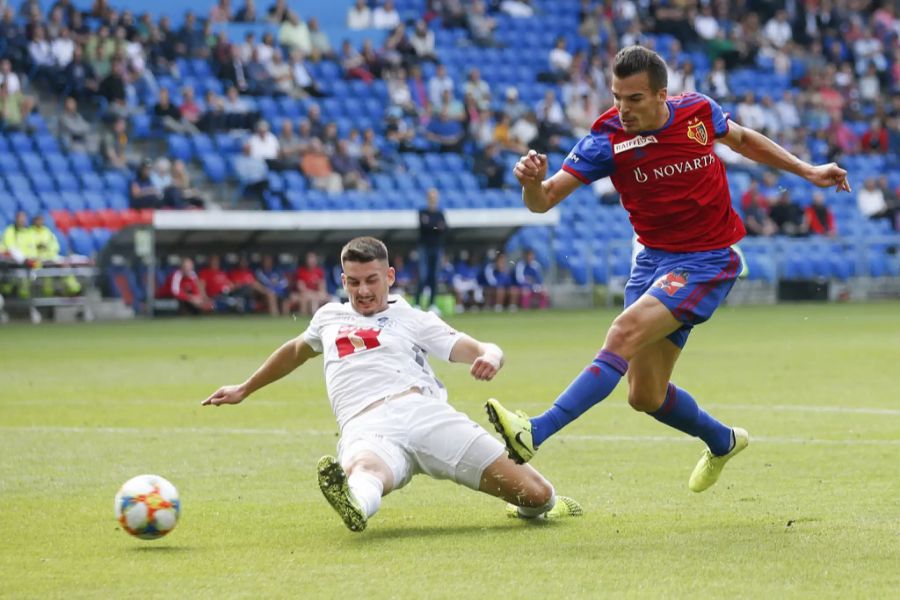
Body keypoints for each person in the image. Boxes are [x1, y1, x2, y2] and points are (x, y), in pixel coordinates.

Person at [485, 46, 851, 494]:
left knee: (622, 332)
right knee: (645, 395)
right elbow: (544, 201)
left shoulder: (698, 112)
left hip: (708, 259)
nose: (623, 109)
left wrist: (807, 169)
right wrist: (529, 185)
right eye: (617, 96)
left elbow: (742, 139)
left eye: (634, 99)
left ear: (662, 95)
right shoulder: (606, 140)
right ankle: (723, 441)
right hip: (653, 262)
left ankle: (534, 431)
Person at [202, 236, 583, 532]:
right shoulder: (328, 317)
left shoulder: (413, 318)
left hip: (425, 415)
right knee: (364, 471)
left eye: (371, 280)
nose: (363, 291)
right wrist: (244, 389)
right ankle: (354, 504)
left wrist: (490, 357)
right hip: (366, 425)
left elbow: (482, 347)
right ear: (342, 280)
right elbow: (295, 351)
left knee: (537, 495)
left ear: (389, 276)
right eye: (353, 282)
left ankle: (538, 506)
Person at [414, 188, 447, 310]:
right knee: (422, 276)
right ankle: (417, 303)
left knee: (434, 277)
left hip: (437, 247)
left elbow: (444, 228)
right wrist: (436, 226)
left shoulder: (440, 213)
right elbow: (426, 226)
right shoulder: (422, 212)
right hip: (424, 247)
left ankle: (432, 304)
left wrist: (431, 225)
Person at [293, 251, 330, 315]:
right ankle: (312, 317)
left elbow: (322, 288)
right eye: (309, 259)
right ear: (306, 261)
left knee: (330, 298)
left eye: (313, 259)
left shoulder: (319, 271)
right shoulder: (301, 271)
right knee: (312, 299)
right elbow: (302, 289)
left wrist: (319, 294)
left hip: (316, 294)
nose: (311, 261)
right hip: (305, 294)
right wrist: (315, 294)